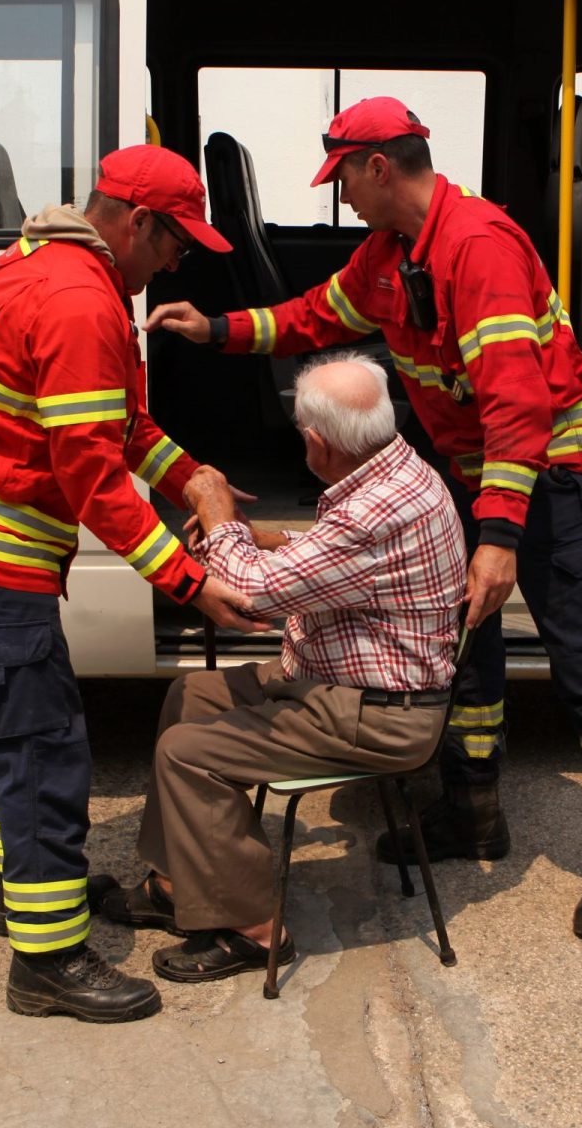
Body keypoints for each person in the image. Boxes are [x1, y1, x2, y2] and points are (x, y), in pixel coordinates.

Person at [145, 97, 582, 940]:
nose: (340, 194)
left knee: (580, 652)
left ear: (379, 166)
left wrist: (496, 540)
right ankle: (473, 807)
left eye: (343, 176)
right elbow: (312, 318)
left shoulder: (478, 246)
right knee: (469, 645)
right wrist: (216, 330)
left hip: (549, 475)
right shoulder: (390, 254)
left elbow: (518, 407)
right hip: (474, 468)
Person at [0, 144, 266, 1024]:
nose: (177, 265)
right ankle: (48, 962)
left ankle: (25, 893)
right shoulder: (79, 303)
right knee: (42, 748)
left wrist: (194, 479)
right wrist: (188, 580)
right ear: (137, 223)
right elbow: (93, 478)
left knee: (17, 739)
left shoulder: (57, 268)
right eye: (177, 247)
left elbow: (123, 424)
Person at [100, 354, 467, 979]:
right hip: (345, 690)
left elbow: (252, 594)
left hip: (375, 716)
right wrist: (268, 537)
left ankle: (252, 928)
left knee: (189, 753)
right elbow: (340, 562)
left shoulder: (368, 513)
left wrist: (216, 509)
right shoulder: (398, 471)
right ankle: (177, 883)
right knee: (191, 697)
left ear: (317, 442)